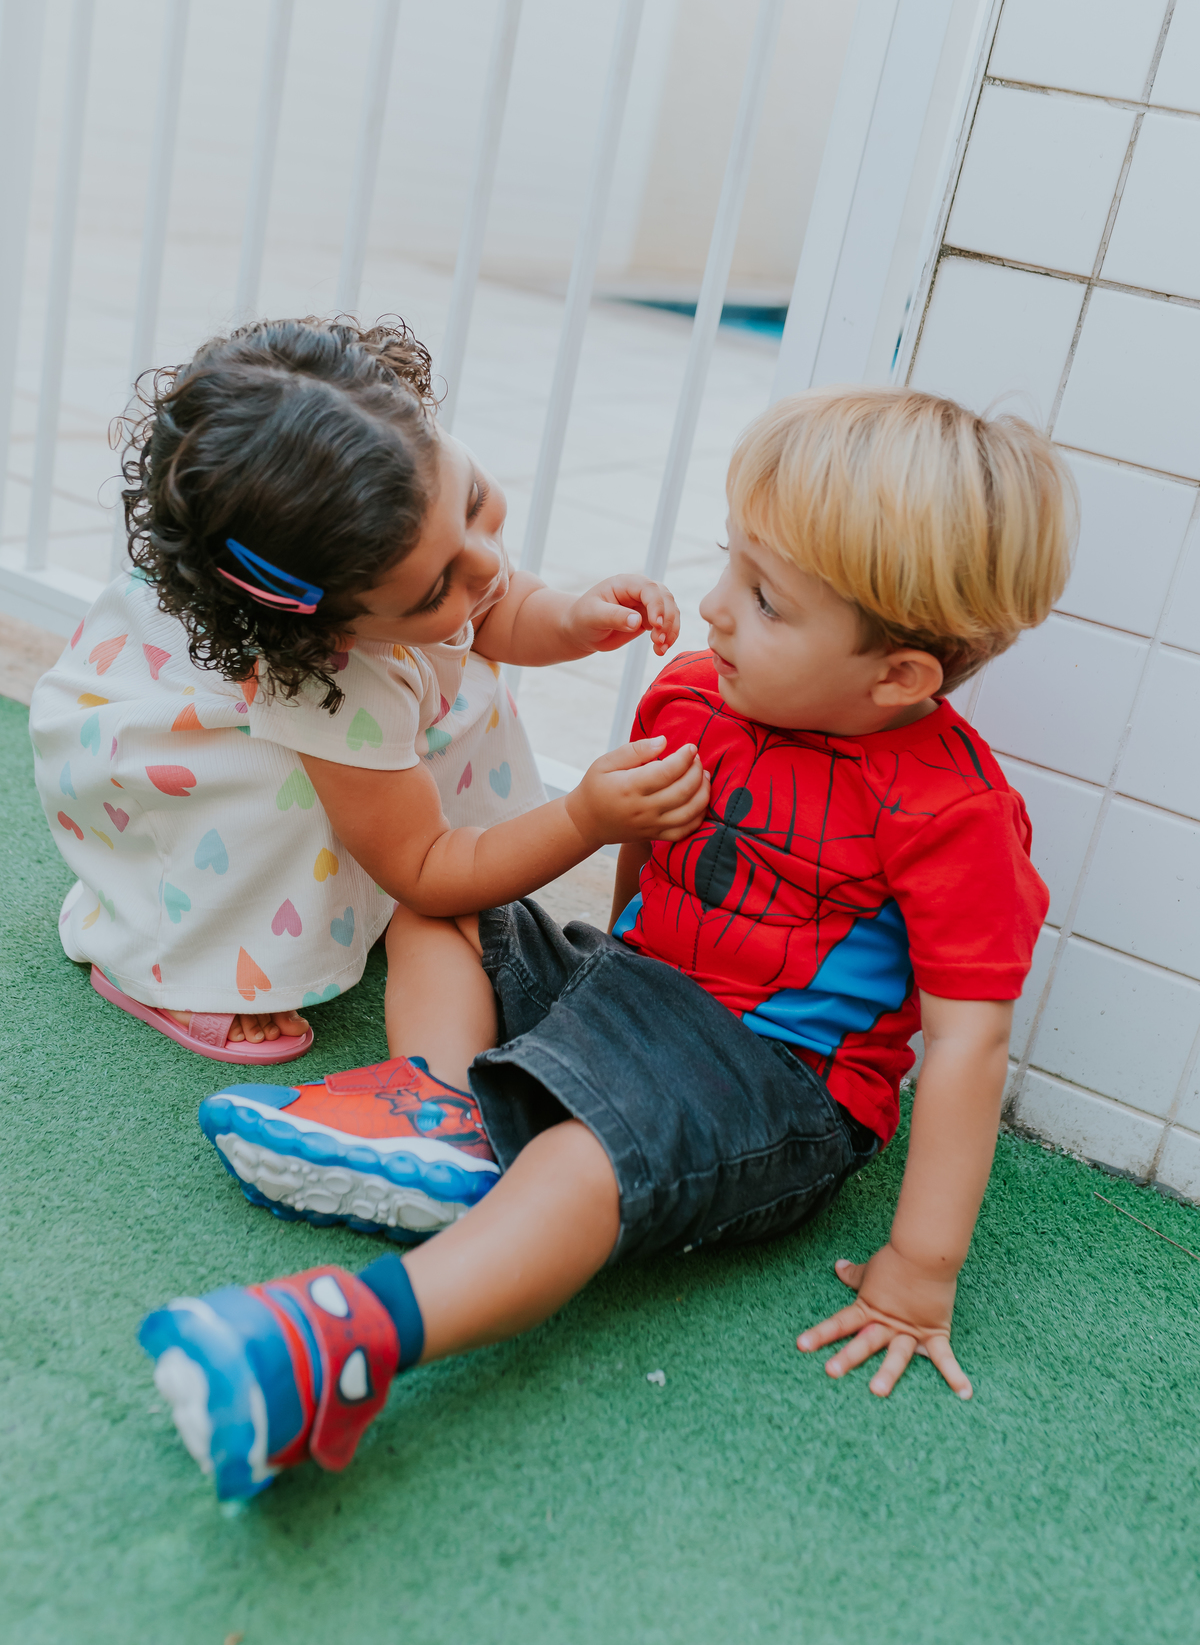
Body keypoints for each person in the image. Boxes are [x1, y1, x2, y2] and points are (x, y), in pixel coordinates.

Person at [140, 385, 1075, 1502]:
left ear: (900, 675)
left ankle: (345, 1344)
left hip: (771, 1079)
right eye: (733, 563)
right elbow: (644, 887)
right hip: (634, 991)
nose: (717, 609)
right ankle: (432, 1106)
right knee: (443, 905)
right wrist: (593, 958)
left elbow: (970, 1045)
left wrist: (919, 1274)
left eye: (767, 600)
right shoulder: (695, 697)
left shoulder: (952, 813)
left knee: (587, 1155)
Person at [29, 315, 708, 1221]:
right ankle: (162, 962)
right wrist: (583, 820)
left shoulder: (405, 522)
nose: (487, 561)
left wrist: (571, 617)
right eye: (435, 588)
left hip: (353, 703)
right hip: (180, 765)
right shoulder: (325, 685)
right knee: (295, 803)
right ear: (332, 627)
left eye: (472, 504)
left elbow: (493, 608)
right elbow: (423, 868)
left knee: (411, 731)